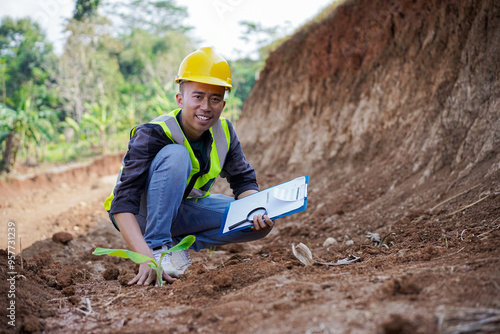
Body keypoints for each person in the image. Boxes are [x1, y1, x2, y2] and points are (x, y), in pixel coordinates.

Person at [104, 47, 273, 286]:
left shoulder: (224, 132)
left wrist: (256, 208)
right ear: (180, 99)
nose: (206, 106)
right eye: (198, 96)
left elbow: (244, 181)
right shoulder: (152, 133)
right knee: (177, 155)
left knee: (254, 222)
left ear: (223, 105)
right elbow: (122, 203)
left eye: (215, 99)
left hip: (181, 211)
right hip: (143, 215)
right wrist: (145, 258)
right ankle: (158, 249)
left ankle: (175, 246)